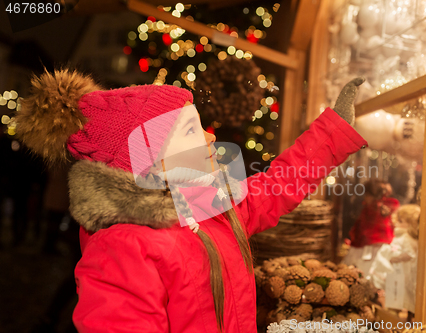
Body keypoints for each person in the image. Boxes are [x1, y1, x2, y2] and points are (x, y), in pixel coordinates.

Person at [14, 68, 367, 333]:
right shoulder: (122, 247)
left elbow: (272, 189)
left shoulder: (202, 202)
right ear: (151, 159)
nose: (210, 134)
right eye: (190, 130)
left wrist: (331, 133)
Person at [342, 178, 400, 275]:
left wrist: (354, 238)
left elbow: (361, 229)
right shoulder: (391, 204)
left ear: (369, 194)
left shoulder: (369, 209)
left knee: (365, 272)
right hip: (386, 245)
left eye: (366, 195)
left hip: (366, 248)